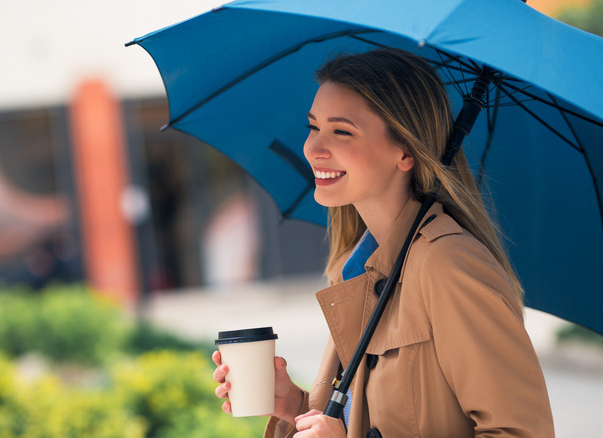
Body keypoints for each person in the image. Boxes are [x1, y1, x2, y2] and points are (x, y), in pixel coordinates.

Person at [212, 48, 554, 437]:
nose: (314, 148)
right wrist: (291, 405)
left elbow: (521, 431)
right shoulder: (355, 268)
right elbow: (361, 419)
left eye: (341, 131)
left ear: (405, 151)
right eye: (313, 127)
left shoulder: (448, 263)